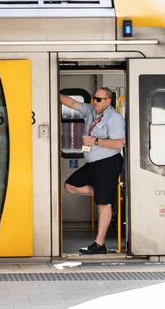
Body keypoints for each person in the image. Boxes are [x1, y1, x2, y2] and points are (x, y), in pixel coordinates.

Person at [60, 87, 125, 255]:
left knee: (103, 205)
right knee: (69, 186)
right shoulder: (90, 110)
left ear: (108, 101)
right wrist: (51, 89)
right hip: (93, 163)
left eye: (98, 99)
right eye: (93, 98)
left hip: (108, 163)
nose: (94, 101)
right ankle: (105, 193)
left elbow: (119, 143)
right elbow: (72, 103)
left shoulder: (115, 118)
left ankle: (99, 244)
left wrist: (95, 141)